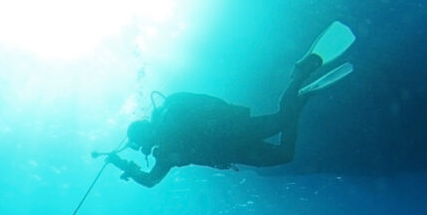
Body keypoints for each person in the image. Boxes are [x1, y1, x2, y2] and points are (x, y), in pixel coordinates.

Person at [103, 21, 356, 187]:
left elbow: (152, 179)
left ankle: (299, 76)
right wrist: (122, 163)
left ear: (145, 133)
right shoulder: (165, 142)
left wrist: (125, 165)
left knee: (282, 121)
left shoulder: (166, 133)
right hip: (232, 149)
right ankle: (300, 98)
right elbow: (152, 178)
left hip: (232, 134)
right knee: (285, 153)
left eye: (139, 144)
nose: (142, 149)